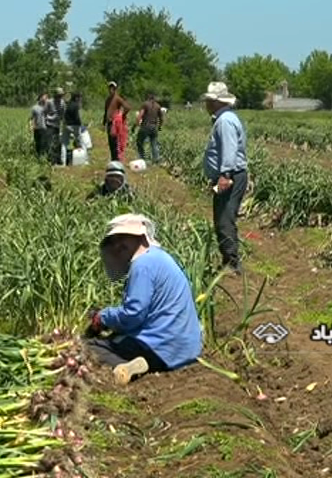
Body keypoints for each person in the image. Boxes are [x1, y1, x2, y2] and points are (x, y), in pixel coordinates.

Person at [85, 213, 203, 385]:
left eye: (124, 237)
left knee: (91, 347)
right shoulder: (160, 257)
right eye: (116, 239)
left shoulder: (142, 265)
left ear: (140, 236)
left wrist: (103, 317)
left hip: (161, 348)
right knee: (118, 338)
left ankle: (126, 367)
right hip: (186, 349)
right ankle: (137, 364)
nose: (118, 244)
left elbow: (134, 314)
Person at [202, 82, 248, 274]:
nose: (206, 104)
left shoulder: (225, 121)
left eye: (208, 101)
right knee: (223, 217)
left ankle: (232, 263)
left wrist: (224, 175)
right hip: (230, 175)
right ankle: (229, 260)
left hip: (230, 176)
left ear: (216, 102)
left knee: (224, 219)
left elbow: (229, 150)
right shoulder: (225, 118)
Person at [103, 81, 131, 162]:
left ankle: (117, 159)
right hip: (109, 123)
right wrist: (104, 122)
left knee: (116, 142)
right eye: (110, 88)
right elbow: (106, 111)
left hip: (115, 123)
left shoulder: (117, 98)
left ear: (115, 89)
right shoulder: (108, 99)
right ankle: (113, 159)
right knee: (111, 143)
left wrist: (122, 116)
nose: (111, 90)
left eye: (113, 88)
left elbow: (127, 107)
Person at [136, 91, 165, 163]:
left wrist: (137, 124)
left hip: (145, 126)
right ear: (154, 98)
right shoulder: (158, 106)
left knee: (139, 142)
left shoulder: (145, 104)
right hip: (154, 127)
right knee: (154, 143)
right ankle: (156, 159)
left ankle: (142, 158)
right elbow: (162, 119)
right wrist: (160, 127)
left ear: (148, 97)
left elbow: (140, 116)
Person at [62, 92, 84, 166]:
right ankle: (82, 160)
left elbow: (64, 115)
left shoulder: (68, 104)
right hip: (75, 126)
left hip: (66, 125)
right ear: (76, 98)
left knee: (64, 144)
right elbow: (77, 117)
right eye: (80, 98)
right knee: (80, 141)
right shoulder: (76, 105)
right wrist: (81, 125)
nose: (81, 99)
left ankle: (63, 162)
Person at [46, 88, 66, 165]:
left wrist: (63, 122)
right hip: (49, 124)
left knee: (56, 142)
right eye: (58, 95)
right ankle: (51, 160)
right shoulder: (49, 102)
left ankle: (56, 159)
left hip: (57, 125)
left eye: (60, 95)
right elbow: (45, 111)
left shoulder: (62, 103)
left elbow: (63, 113)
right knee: (50, 142)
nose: (59, 97)